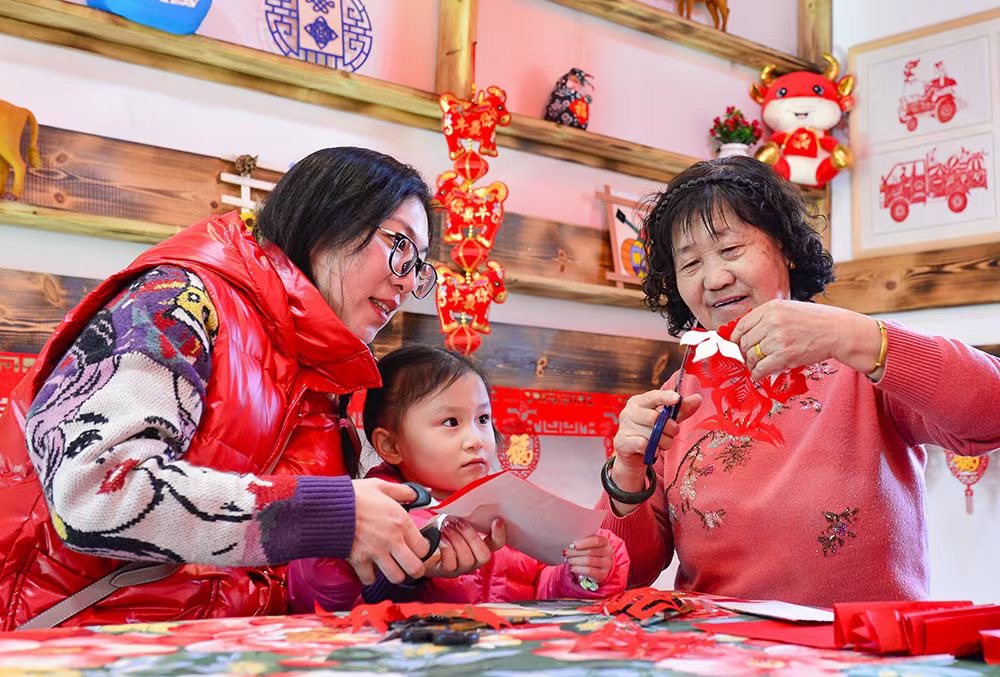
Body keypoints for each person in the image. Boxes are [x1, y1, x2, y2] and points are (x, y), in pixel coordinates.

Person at [0, 147, 489, 630]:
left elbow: (296, 580)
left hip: (217, 650)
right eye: (400, 245)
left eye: (419, 266)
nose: (407, 283)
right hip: (76, 642)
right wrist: (329, 515)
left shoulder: (323, 381)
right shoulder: (178, 302)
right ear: (326, 221)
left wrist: (408, 564)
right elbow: (93, 492)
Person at [597, 156, 1000, 607]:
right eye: (690, 264)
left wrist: (852, 336)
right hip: (718, 644)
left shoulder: (861, 357)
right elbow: (619, 572)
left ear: (786, 248)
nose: (714, 278)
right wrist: (627, 471)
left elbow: (991, 413)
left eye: (731, 250)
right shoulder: (677, 393)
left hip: (858, 644)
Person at [288, 344, 630, 611]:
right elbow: (319, 599)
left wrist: (582, 573)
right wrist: (407, 571)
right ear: (391, 445)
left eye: (483, 419)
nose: (476, 440)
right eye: (451, 422)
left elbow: (542, 589)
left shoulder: (517, 506)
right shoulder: (375, 516)